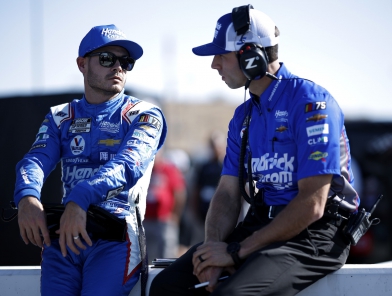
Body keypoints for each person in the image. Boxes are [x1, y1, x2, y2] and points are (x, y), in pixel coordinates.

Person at [150, 5, 359, 296]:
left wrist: (236, 252)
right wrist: (213, 249)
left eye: (221, 55)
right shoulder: (243, 116)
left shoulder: (311, 103)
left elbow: (312, 204)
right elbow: (226, 193)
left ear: (251, 57)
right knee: (166, 286)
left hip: (316, 233)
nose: (214, 65)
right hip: (263, 224)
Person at [13, 24, 167, 295]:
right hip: (66, 235)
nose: (118, 67)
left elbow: (128, 164)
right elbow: (34, 160)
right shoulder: (61, 116)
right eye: (107, 59)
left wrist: (80, 198)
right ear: (82, 64)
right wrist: (26, 197)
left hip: (117, 234)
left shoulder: (145, 114)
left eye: (126, 62)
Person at [144, 149, 187, 262]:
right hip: (146, 219)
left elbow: (179, 193)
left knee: (167, 255)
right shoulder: (144, 169)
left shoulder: (169, 169)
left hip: (164, 219)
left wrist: (175, 215)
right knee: (146, 255)